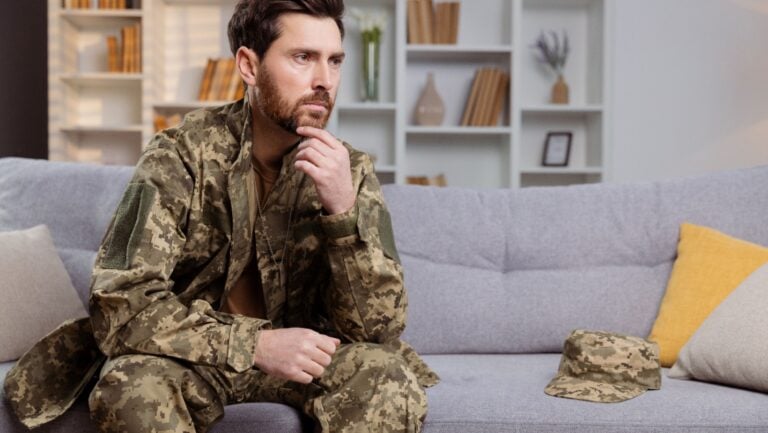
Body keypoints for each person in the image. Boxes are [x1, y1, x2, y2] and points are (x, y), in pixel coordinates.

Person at [3, 0, 438, 432]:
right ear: (249, 66)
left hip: (309, 359)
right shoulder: (179, 155)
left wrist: (342, 212)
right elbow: (120, 302)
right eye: (303, 57)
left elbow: (378, 328)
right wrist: (254, 344)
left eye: (335, 61)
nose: (324, 79)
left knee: (389, 380)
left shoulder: (350, 170)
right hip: (196, 357)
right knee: (130, 385)